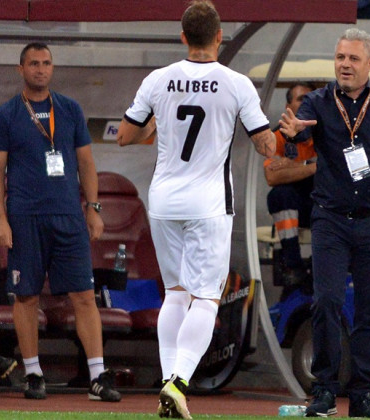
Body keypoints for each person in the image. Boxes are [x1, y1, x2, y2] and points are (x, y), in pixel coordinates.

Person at [116, 1, 276, 418]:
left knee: (174, 293)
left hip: (164, 200)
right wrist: (282, 134)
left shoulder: (158, 79)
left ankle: (170, 385)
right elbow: (266, 145)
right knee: (206, 298)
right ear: (220, 36)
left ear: (183, 36)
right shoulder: (237, 84)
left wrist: (154, 127)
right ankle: (180, 380)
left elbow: (126, 136)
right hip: (208, 203)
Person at [279, 28, 370, 418]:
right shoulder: (317, 102)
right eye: (340, 57)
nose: (345, 64)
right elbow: (294, 139)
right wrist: (291, 135)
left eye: (353, 58)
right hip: (330, 219)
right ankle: (324, 391)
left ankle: (362, 395)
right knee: (326, 302)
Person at [0, 42, 121, 402]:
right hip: (25, 217)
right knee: (27, 296)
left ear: (52, 67)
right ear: (21, 69)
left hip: (68, 216)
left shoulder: (70, 109)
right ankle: (33, 373)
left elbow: (87, 163)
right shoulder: (6, 114)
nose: (41, 69)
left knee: (83, 295)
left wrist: (93, 207)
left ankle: (97, 375)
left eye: (46, 63)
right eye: (34, 63)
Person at [264, 82, 316, 291]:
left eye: (310, 99)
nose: (306, 103)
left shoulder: (329, 132)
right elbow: (271, 176)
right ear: (288, 106)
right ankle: (293, 263)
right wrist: (313, 167)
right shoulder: (278, 136)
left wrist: (293, 167)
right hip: (297, 204)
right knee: (279, 195)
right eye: (301, 98)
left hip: (324, 203)